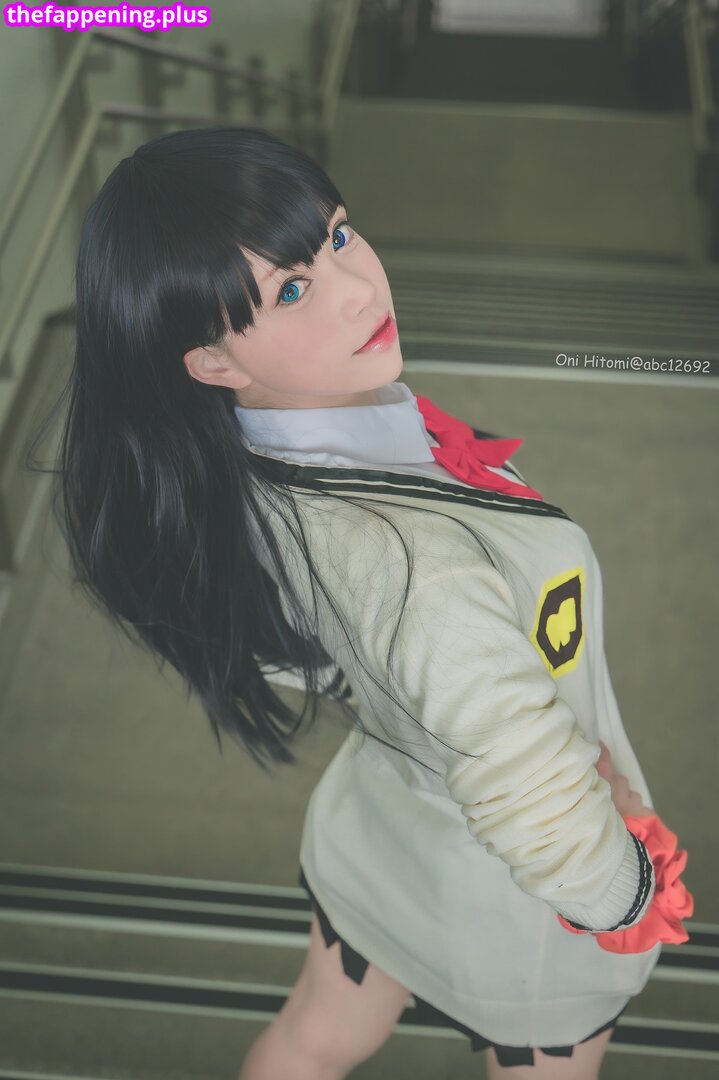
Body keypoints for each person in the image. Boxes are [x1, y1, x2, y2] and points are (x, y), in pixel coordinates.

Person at [43, 125, 692, 1079]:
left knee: (315, 1039)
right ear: (212, 362)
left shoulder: (239, 464)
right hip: (519, 912)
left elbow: (288, 637)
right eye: (291, 291)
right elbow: (533, 796)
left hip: (380, 841)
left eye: (338, 236)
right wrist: (627, 893)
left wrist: (392, 677)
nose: (357, 288)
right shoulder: (413, 567)